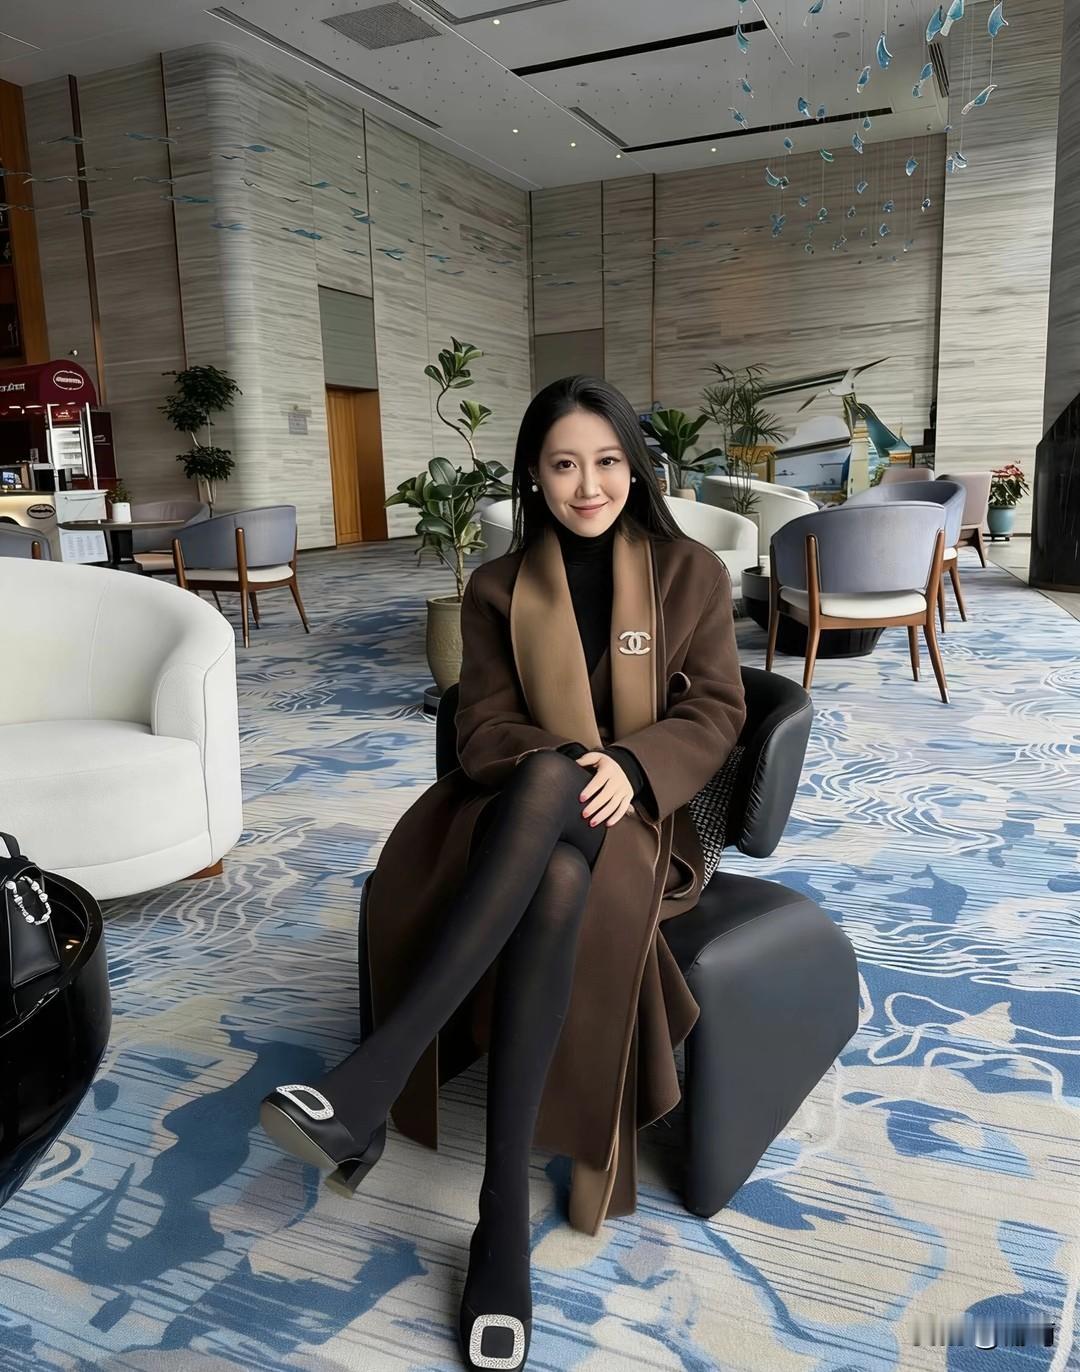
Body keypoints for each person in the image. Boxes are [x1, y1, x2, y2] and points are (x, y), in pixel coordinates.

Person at [259, 376, 746, 1371]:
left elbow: (718, 711)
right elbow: (480, 726)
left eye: (607, 461)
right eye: (564, 464)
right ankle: (498, 1226)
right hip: (513, 809)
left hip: (637, 817)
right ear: (533, 473)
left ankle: (374, 1080)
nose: (588, 485)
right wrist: (558, 763)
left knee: (568, 832)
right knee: (552, 856)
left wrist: (631, 765)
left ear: (635, 467)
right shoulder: (496, 586)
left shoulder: (688, 571)